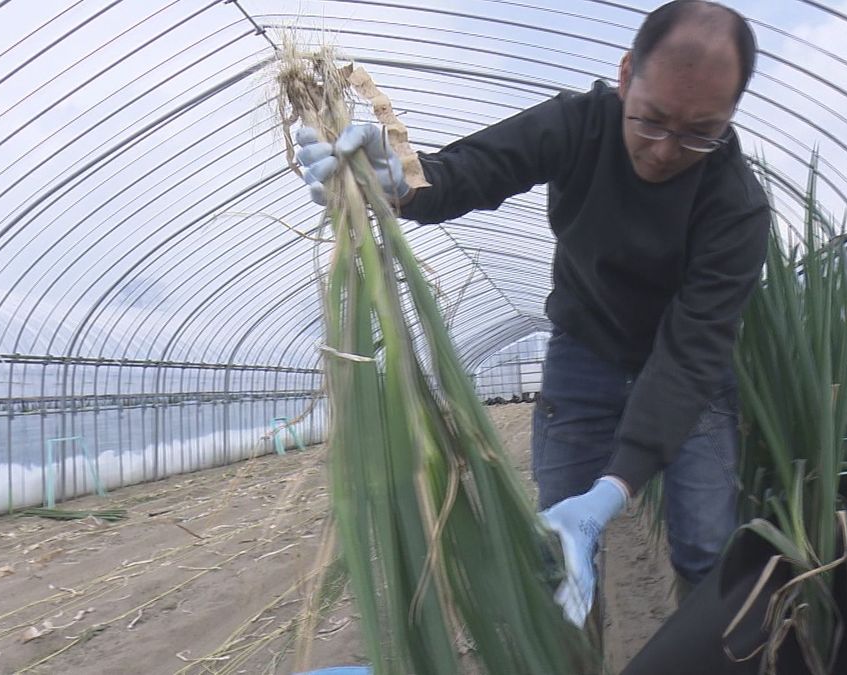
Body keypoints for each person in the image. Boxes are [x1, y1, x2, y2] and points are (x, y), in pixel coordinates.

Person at [295, 0, 769, 628]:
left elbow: (692, 350)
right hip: (585, 353)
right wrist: (399, 185)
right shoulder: (578, 125)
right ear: (626, 75)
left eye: (699, 132)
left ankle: (707, 652)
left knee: (706, 548)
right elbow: (476, 170)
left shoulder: (736, 205)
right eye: (651, 121)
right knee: (559, 560)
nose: (664, 151)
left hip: (687, 377)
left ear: (730, 116)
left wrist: (614, 490)